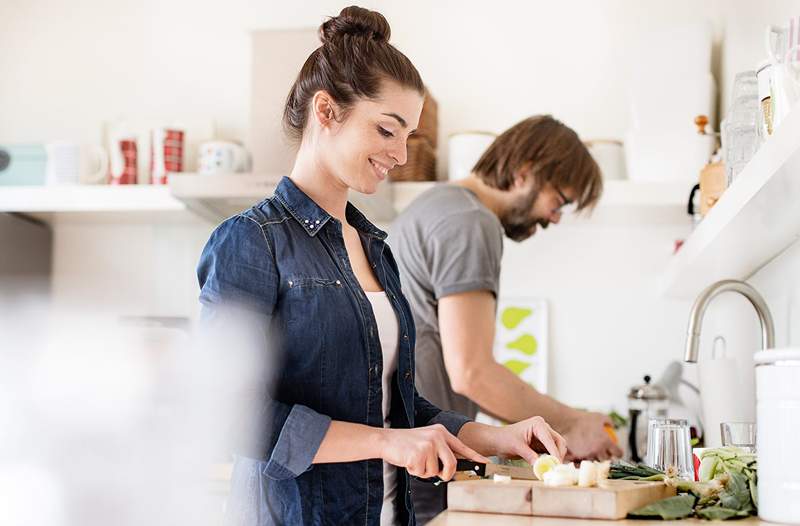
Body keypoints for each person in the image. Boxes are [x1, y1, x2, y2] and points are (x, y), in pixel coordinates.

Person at [196, 7, 566, 526]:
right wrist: (387, 443)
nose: (400, 153)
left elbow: (399, 406)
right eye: (387, 130)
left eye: (408, 136)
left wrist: (495, 436)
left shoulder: (375, 248)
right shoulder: (251, 242)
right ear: (326, 111)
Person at [390, 115, 624, 522]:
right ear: (525, 172)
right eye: (561, 200)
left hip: (411, 452)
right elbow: (472, 372)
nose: (555, 218)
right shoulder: (470, 222)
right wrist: (573, 423)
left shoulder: (435, 206)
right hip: (428, 461)